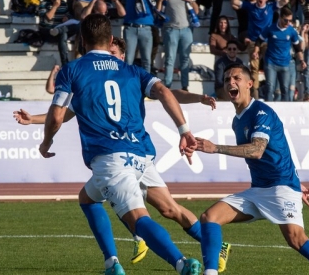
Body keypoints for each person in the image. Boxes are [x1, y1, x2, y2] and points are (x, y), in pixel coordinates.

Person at [19, 36, 228, 269]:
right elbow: (67, 113)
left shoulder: (125, 75)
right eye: (110, 51)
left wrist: (198, 99)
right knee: (92, 199)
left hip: (114, 157)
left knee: (147, 215)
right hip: (138, 155)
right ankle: (114, 261)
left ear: (120, 55)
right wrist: (33, 120)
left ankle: (181, 262)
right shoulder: (117, 76)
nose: (112, 56)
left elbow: (168, 92)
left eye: (116, 52)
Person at [194, 63, 309, 275]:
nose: (231, 82)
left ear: (249, 84)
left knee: (296, 239)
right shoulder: (238, 120)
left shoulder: (261, 112)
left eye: (236, 78)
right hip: (259, 190)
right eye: (227, 80)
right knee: (210, 217)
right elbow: (277, 150)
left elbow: (257, 151)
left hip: (280, 187)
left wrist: (214, 147)